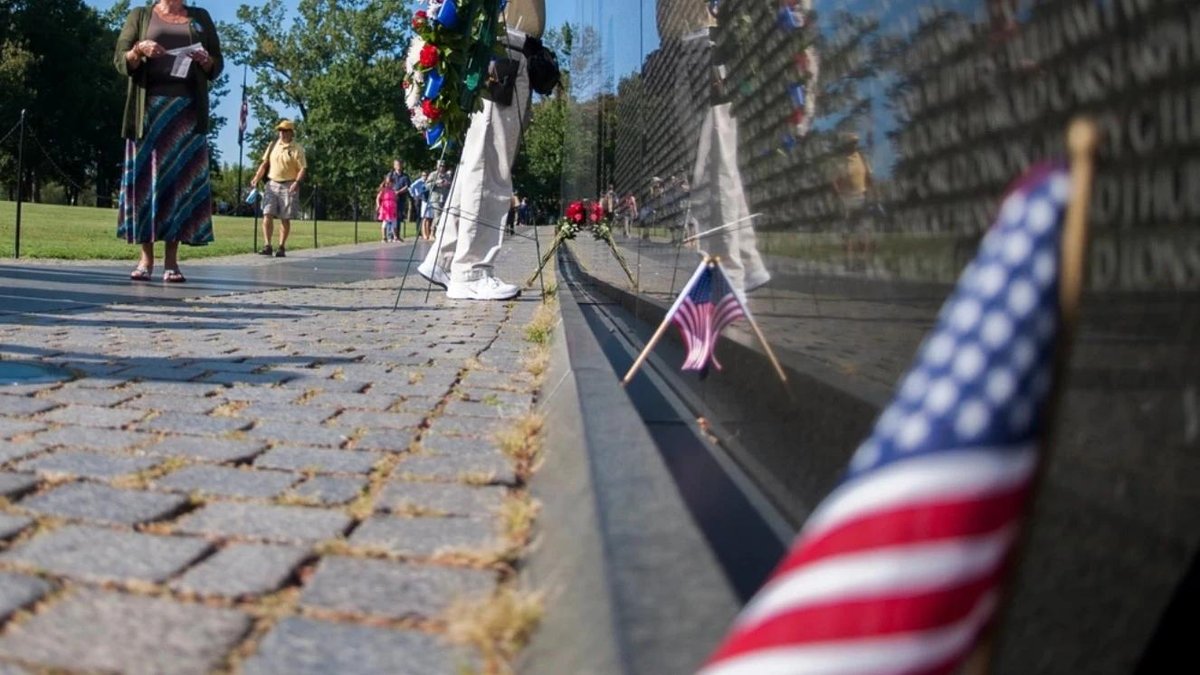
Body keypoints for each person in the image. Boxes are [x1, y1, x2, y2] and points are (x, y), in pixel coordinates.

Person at [418, 0, 545, 300]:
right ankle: (471, 271)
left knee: (477, 161)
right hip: (504, 45)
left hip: (505, 44)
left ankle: (445, 257)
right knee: (490, 163)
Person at [114, 0, 222, 283]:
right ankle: (145, 260)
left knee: (179, 183)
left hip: (187, 113)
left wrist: (206, 61)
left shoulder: (200, 17)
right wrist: (139, 49)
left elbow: (216, 64)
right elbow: (120, 59)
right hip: (147, 112)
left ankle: (172, 262)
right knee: (146, 185)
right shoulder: (140, 16)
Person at [249, 119, 307, 258]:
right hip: (272, 183)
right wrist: (257, 177)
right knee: (267, 214)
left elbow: (303, 168)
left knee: (284, 218)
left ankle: (281, 246)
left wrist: (297, 182)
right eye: (280, 130)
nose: (282, 133)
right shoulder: (273, 145)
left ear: (291, 132)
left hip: (289, 184)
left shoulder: (297, 149)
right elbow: (265, 163)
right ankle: (267, 245)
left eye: (285, 130)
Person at [424, 160, 452, 241]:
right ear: (437, 166)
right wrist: (436, 182)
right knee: (438, 216)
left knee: (444, 216)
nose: (442, 167)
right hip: (436, 198)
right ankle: (432, 233)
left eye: (443, 166)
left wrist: (447, 184)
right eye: (440, 166)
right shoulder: (433, 174)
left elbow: (451, 185)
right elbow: (426, 186)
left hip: (445, 198)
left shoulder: (447, 175)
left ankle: (441, 233)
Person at [387, 159, 411, 240]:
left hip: (400, 199)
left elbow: (407, 186)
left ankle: (396, 235)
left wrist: (398, 192)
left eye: (400, 164)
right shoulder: (390, 175)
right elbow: (386, 185)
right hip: (391, 199)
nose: (398, 166)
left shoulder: (405, 176)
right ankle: (389, 235)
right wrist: (392, 192)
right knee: (390, 217)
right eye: (397, 164)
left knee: (398, 217)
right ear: (394, 166)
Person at [376, 177, 398, 242]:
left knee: (394, 222)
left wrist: (396, 196)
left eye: (390, 183)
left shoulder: (393, 190)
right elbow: (378, 198)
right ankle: (384, 237)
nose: (389, 185)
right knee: (385, 222)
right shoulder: (383, 190)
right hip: (385, 207)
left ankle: (395, 236)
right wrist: (378, 205)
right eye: (387, 183)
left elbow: (395, 198)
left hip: (392, 207)